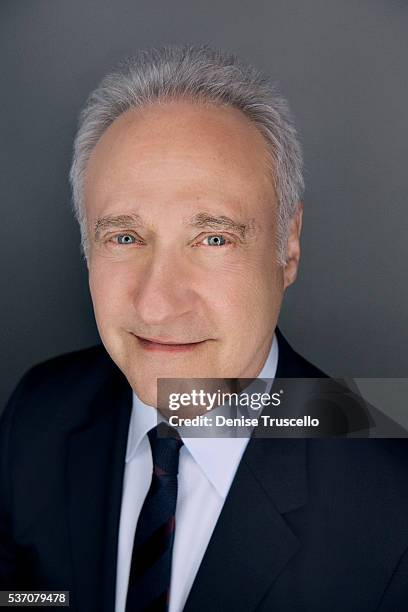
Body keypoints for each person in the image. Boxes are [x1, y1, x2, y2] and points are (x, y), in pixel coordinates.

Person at [1, 45, 408, 612]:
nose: (159, 304)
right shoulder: (40, 410)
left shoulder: (396, 498)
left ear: (287, 247)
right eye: (124, 237)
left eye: (214, 239)